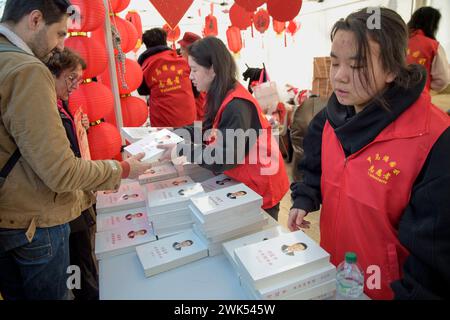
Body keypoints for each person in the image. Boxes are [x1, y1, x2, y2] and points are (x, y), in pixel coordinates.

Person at [289, 7, 450, 300]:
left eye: (357, 66)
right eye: (334, 63)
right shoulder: (329, 118)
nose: (339, 77)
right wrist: (305, 196)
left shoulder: (434, 141)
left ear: (392, 69)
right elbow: (314, 165)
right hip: (336, 277)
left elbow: (434, 262)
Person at [0, 0, 150, 300]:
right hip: (36, 222)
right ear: (35, 19)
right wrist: (121, 169)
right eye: (59, 34)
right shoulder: (27, 70)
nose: (59, 47)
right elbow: (60, 170)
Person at [160, 37, 289, 220]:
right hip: (244, 182)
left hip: (259, 187)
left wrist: (182, 149)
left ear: (212, 69)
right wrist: (175, 132)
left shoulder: (236, 105)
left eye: (194, 70)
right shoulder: (219, 94)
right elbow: (210, 131)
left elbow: (225, 157)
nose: (190, 76)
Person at [46, 48, 99, 300]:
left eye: (78, 80)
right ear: (51, 74)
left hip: (75, 199)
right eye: (71, 78)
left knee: (83, 260)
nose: (75, 86)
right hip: (65, 204)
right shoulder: (45, 110)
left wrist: (80, 128)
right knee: (78, 266)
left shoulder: (60, 105)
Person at [137, 28, 196, 128]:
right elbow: (196, 91)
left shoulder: (145, 67)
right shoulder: (183, 62)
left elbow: (142, 91)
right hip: (189, 119)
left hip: (163, 123)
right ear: (165, 41)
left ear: (146, 46)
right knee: (191, 143)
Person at [407, 6, 450, 93]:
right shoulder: (434, 46)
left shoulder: (399, 39)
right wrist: (426, 84)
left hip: (392, 98)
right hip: (418, 96)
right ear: (433, 25)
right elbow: (443, 79)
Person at [178, 31, 206, 122]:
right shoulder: (196, 64)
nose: (180, 51)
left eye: (183, 49)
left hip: (198, 108)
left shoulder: (190, 66)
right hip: (194, 109)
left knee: (198, 130)